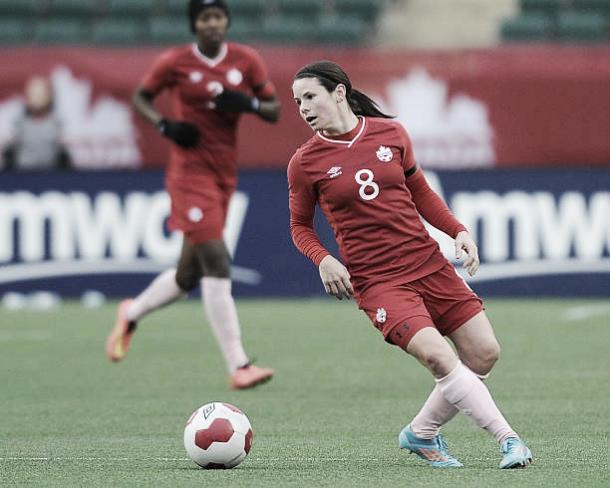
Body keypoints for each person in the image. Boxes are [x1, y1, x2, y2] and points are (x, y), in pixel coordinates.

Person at [287, 60, 532, 468]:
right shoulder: (305, 162)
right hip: (379, 282)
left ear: (339, 92)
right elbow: (299, 227)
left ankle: (420, 433)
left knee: (484, 353)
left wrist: (458, 231)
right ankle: (508, 440)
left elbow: (420, 191)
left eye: (310, 96)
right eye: (297, 102)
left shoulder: (391, 134)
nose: (304, 108)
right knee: (439, 357)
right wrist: (324, 259)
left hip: (428, 263)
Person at [106, 0, 279, 390]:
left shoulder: (246, 60)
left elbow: (274, 110)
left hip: (223, 174)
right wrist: (166, 127)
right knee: (217, 259)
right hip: (189, 174)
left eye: (218, 16)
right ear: (194, 25)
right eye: (205, 18)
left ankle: (131, 312)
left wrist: (249, 103)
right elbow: (141, 97)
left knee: (188, 275)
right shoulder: (175, 62)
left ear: (227, 21)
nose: (213, 24)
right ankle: (239, 365)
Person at [1, 76, 72, 171]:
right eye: (33, 94)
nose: (37, 99)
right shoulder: (19, 123)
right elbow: (9, 151)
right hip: (22, 174)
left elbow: (64, 153)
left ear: (49, 96)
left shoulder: (57, 124)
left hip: (50, 174)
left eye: (41, 94)